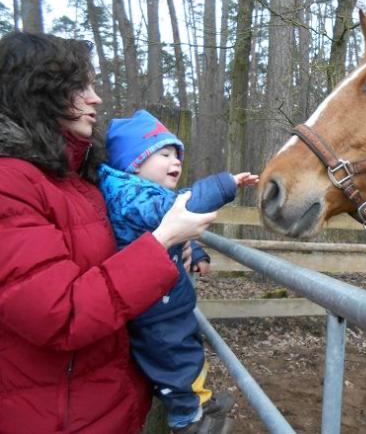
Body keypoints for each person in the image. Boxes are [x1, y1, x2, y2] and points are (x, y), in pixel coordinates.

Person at [0, 31, 218, 434]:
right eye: (79, 87)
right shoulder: (10, 183)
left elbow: (111, 263)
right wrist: (162, 243)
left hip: (110, 404)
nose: (95, 98)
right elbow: (61, 313)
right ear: (38, 92)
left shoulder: (78, 180)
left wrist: (172, 256)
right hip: (55, 417)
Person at [98, 109, 259, 434]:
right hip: (154, 307)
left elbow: (176, 230)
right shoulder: (132, 196)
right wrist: (224, 185)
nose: (176, 161)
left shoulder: (146, 195)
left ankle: (200, 400)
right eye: (165, 153)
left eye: (178, 155)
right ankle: (187, 418)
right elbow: (180, 211)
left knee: (186, 349)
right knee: (174, 360)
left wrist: (196, 252)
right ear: (135, 161)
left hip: (167, 300)